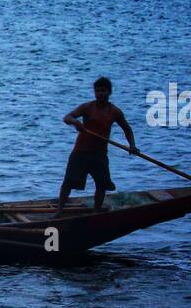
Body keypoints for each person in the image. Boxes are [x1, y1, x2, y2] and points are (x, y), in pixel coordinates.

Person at [56, 76, 138, 214]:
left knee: (102, 184)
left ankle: (96, 211)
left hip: (99, 154)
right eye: (97, 91)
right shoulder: (87, 107)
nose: (100, 93)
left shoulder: (115, 111)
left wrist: (132, 145)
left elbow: (127, 129)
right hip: (81, 151)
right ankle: (59, 211)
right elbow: (67, 117)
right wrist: (76, 123)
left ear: (109, 92)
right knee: (68, 183)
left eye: (103, 91)